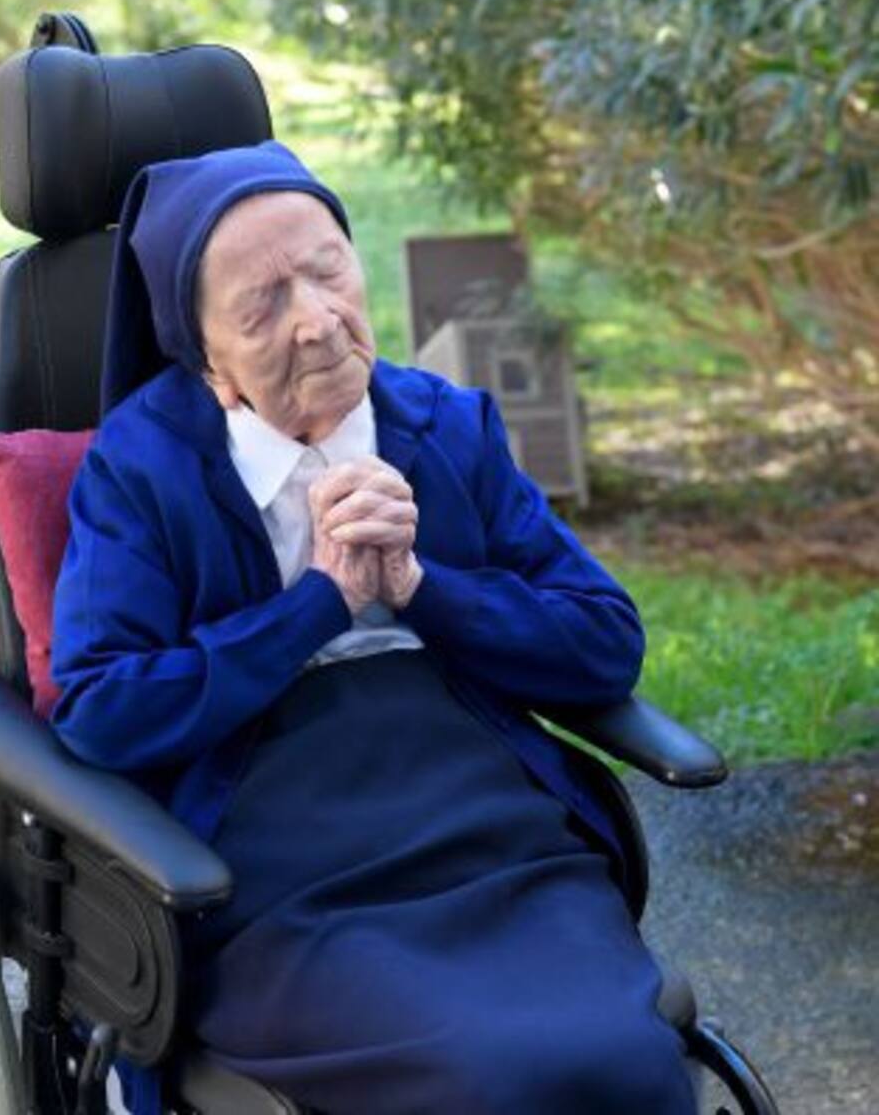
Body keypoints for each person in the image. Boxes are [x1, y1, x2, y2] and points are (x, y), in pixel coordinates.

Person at [50, 141, 696, 1114]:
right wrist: (318, 601)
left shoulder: (446, 425)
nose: (316, 321)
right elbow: (103, 708)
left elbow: (604, 641)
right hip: (279, 863)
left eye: (329, 272)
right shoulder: (142, 468)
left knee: (620, 1058)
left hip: (489, 829)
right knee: (478, 1078)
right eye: (263, 306)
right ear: (208, 359)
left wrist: (422, 585)